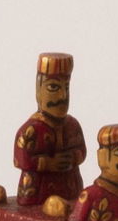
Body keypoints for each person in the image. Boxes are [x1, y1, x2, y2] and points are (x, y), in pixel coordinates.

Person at [13, 52, 85, 205]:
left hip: (71, 190)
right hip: (37, 195)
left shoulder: (73, 125)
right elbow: (20, 159)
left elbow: (82, 151)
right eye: (53, 87)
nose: (63, 96)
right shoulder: (30, 130)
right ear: (38, 90)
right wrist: (48, 163)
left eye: (66, 87)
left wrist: (73, 158)